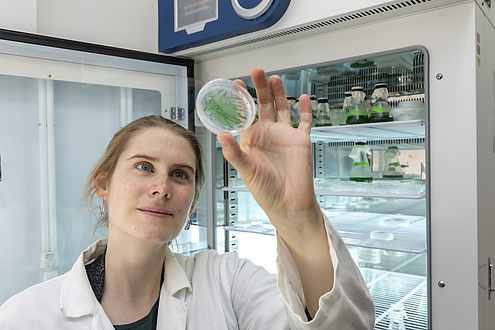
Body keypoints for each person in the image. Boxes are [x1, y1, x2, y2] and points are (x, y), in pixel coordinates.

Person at [0, 67, 375, 329]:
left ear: (191, 203)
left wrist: (297, 216)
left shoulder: (227, 281)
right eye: (144, 167)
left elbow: (343, 328)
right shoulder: (25, 316)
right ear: (103, 184)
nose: (162, 187)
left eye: (180, 175)